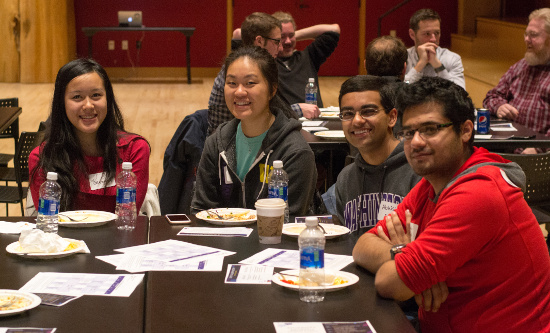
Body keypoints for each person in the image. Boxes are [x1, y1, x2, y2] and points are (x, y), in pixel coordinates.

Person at [353, 77, 550, 333]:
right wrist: (406, 254)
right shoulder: (433, 182)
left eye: (431, 129)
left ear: (466, 130)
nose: (416, 142)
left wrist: (409, 272)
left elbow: (388, 282)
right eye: (409, 132)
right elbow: (362, 246)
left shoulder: (478, 193)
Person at [191, 46, 317, 216]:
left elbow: (289, 222)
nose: (239, 91)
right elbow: (201, 210)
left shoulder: (295, 152)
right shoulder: (217, 142)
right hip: (220, 241)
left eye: (250, 83)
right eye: (232, 83)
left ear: (272, 90)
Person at [29, 58, 150, 213]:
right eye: (77, 97)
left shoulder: (134, 150)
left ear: (108, 98)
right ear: (62, 103)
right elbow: (49, 222)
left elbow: (127, 217)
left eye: (96, 95)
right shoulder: (42, 158)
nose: (88, 105)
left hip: (119, 237)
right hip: (66, 237)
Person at [333, 76, 421, 234]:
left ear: (392, 117)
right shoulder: (346, 179)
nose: (357, 120)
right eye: (347, 114)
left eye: (368, 112)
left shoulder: (418, 172)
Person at [483, 8, 550, 154]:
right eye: (526, 34)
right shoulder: (520, 66)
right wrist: (499, 106)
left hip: (536, 156)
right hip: (504, 145)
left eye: (533, 35)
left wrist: (540, 148)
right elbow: (491, 97)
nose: (527, 39)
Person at [208, 12, 287, 135]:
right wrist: (299, 109)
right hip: (229, 146)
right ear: (259, 41)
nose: (280, 48)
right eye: (276, 42)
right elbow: (273, 116)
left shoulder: (240, 64)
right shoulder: (245, 71)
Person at [272, 11, 340, 111]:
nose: (288, 41)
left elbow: (334, 29)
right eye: (282, 37)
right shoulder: (266, 63)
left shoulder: (308, 57)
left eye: (291, 35)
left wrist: (294, 36)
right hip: (287, 121)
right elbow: (239, 34)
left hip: (316, 121)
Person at [405, 9, 465, 88]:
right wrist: (420, 65)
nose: (433, 39)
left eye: (437, 33)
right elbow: (400, 91)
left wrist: (438, 66)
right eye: (427, 34)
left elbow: (460, 95)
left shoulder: (452, 59)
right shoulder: (403, 58)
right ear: (412, 34)